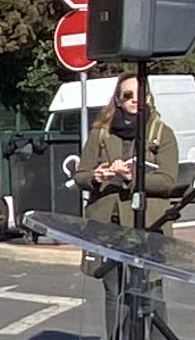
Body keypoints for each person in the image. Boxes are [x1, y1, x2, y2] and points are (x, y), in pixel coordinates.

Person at [79, 71, 184, 227]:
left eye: (140, 94)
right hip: (105, 221)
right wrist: (96, 176)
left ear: (148, 98)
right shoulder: (100, 133)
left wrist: (132, 177)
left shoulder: (162, 132)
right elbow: (80, 175)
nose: (135, 100)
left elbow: (168, 181)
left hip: (149, 220)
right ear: (118, 100)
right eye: (128, 95)